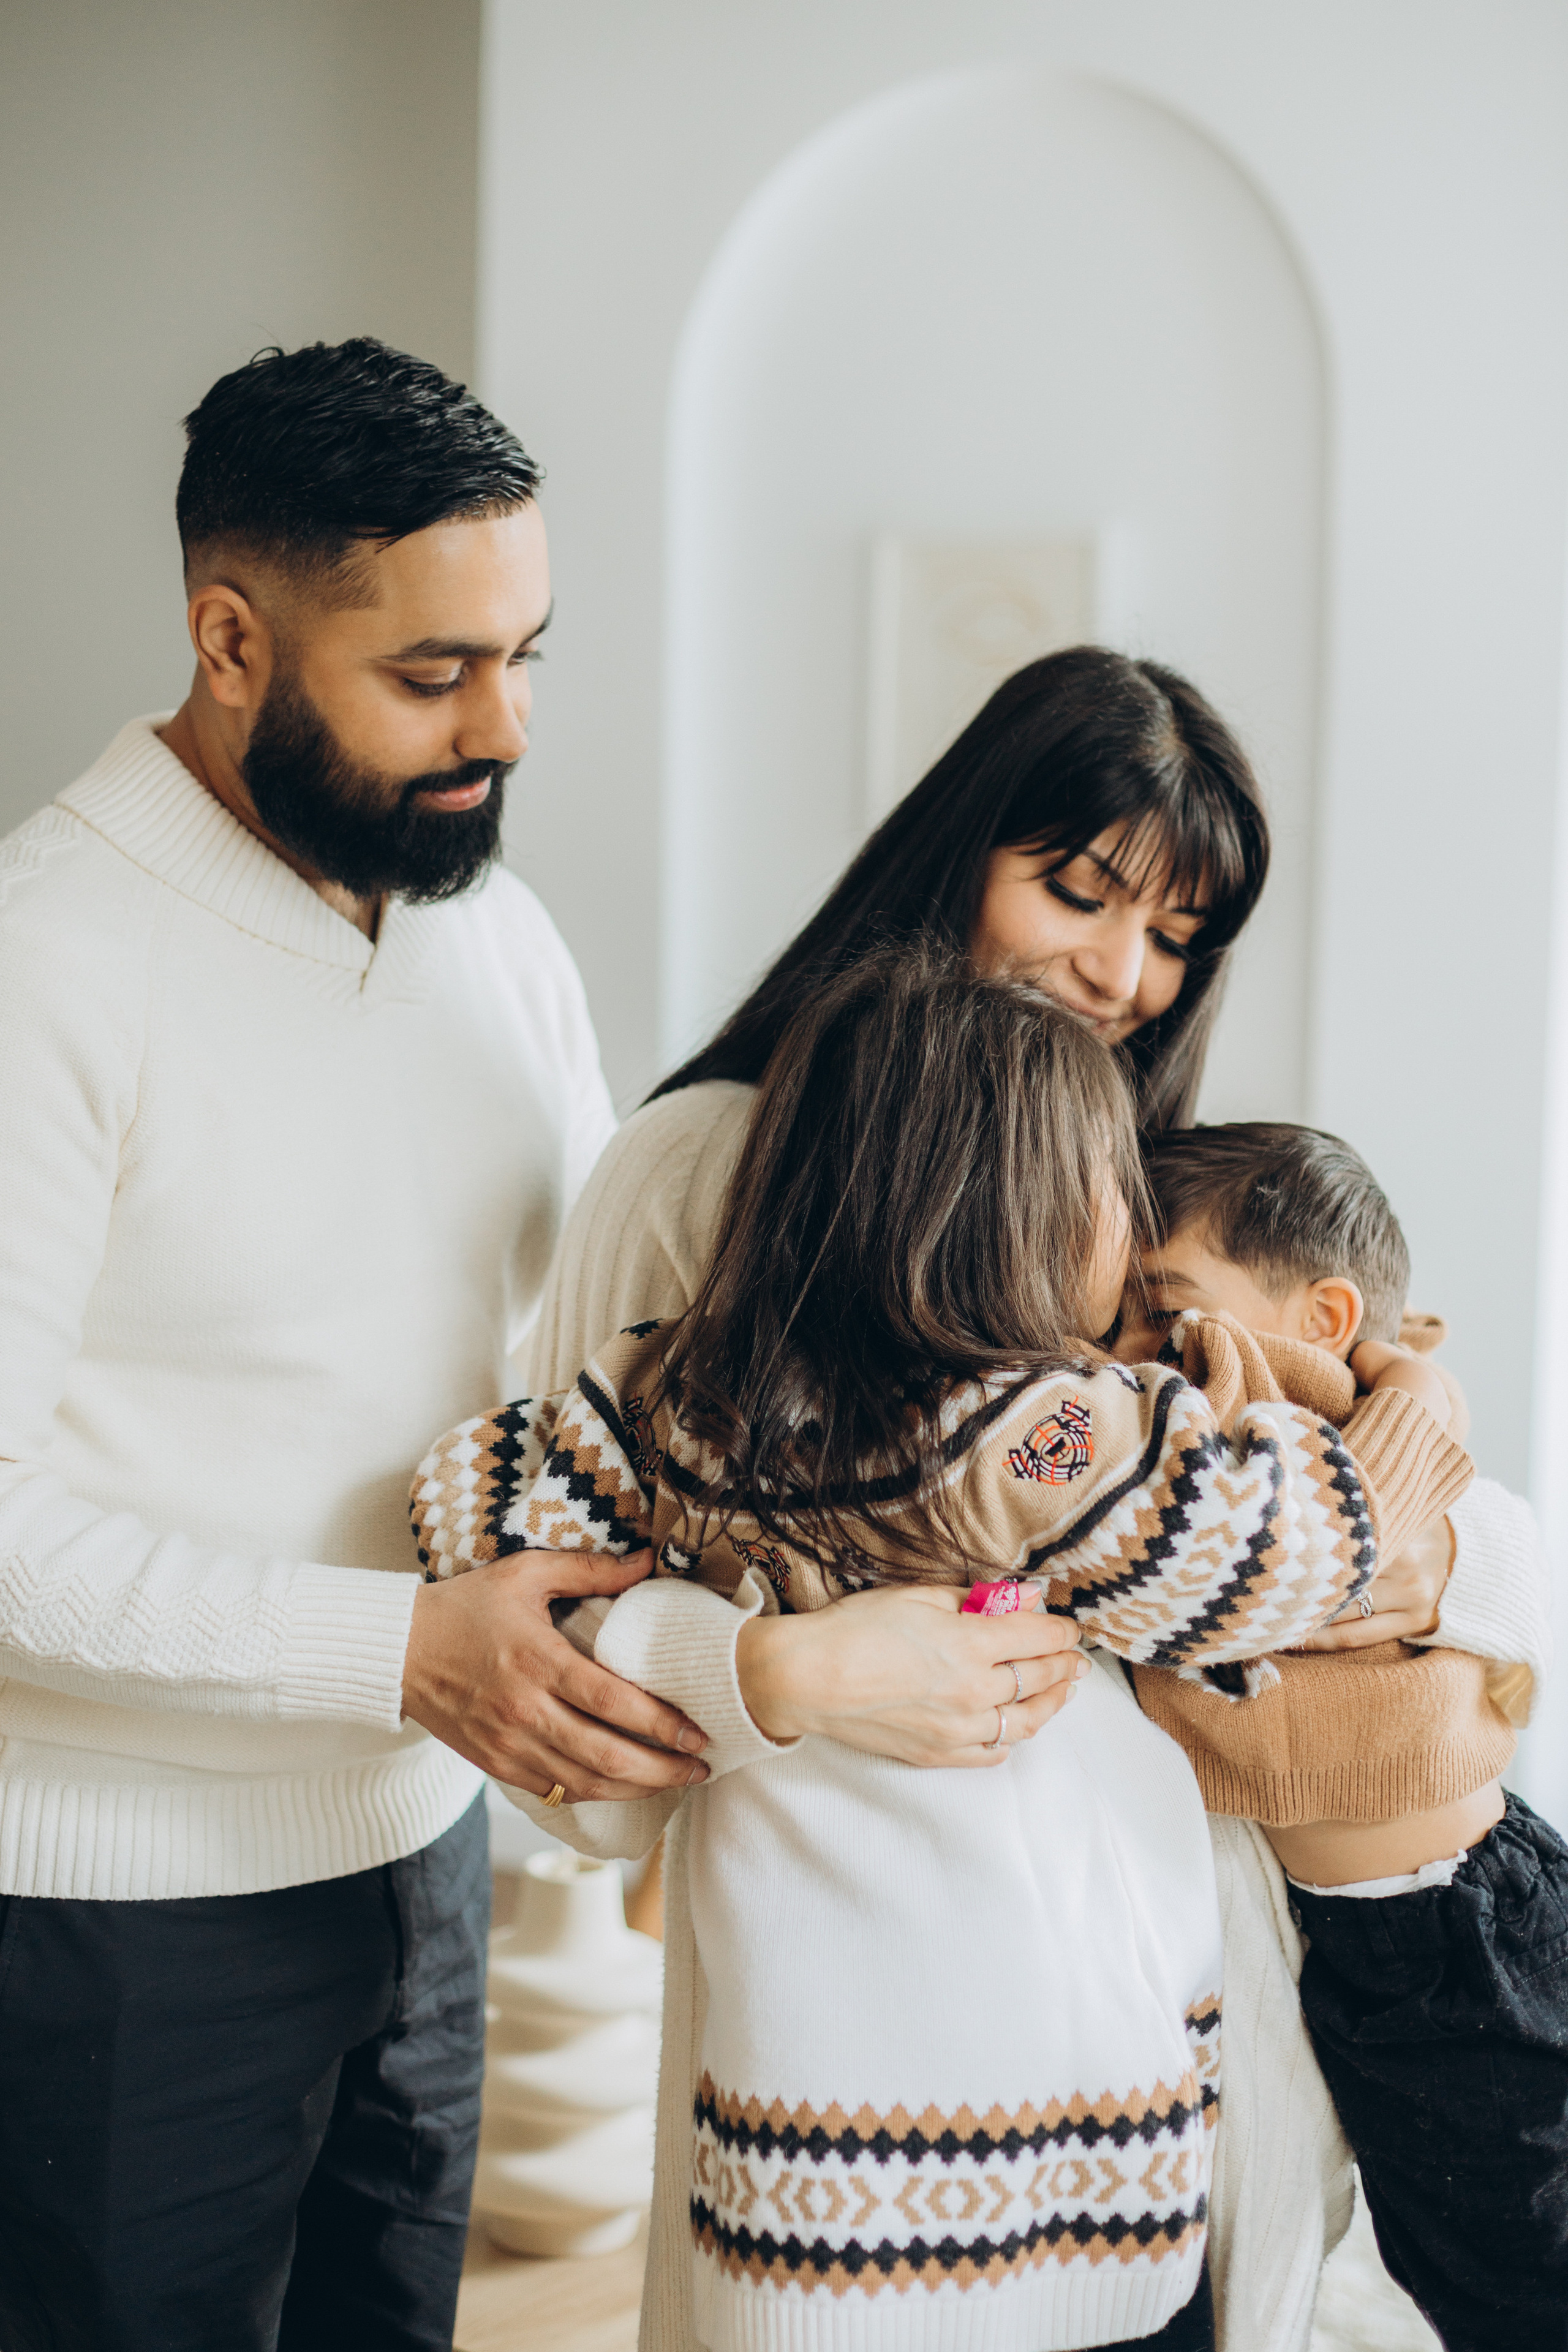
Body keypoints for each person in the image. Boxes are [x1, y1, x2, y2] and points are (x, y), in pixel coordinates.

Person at [516, 647, 1544, 2352]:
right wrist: (783, 1679)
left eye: (1177, 940)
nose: (1124, 973)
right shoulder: (707, 1168)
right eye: (1077, 892)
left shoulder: (1135, 1189)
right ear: (956, 850)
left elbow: (1439, 1526)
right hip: (871, 2102)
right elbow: (556, 1625)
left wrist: (1430, 1548)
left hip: (1173, 2043)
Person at [0, 337, 711, 2351]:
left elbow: (578, 1346)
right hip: (105, 1925)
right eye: (431, 674)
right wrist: (400, 1648)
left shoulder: (494, 932)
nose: (502, 726)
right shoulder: (43, 960)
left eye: (527, 655)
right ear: (234, 636)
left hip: (419, 1860)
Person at [1117, 1121, 1562, 2351]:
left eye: (1165, 1312)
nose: (1137, 1353)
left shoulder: (1288, 1447)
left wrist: (1412, 1383)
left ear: (1319, 1321)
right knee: (1456, 2256)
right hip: (1392, 1930)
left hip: (1456, 1928)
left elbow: (1308, 1542)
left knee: (1513, 2270)